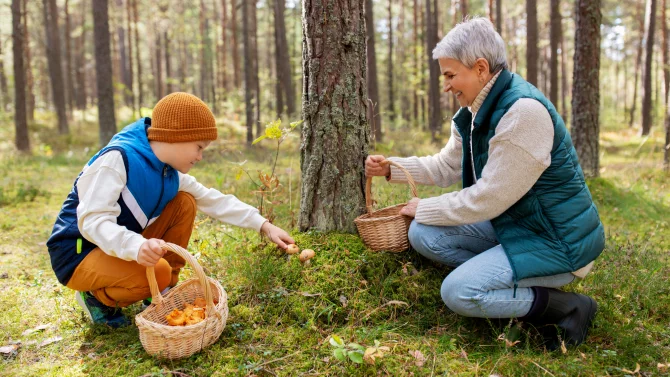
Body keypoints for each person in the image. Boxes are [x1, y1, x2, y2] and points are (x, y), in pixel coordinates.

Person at [365, 18, 604, 349]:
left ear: (480, 68)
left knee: (458, 291)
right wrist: (392, 167)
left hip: (556, 241)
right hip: (517, 224)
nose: (446, 86)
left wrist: (427, 206)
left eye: (451, 75)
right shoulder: (474, 111)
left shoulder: (523, 113)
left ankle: (569, 306)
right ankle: (506, 283)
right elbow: (449, 164)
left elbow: (489, 198)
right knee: (421, 232)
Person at [47, 92, 294, 328]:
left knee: (185, 202)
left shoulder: (169, 172)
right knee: (159, 270)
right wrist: (137, 247)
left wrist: (264, 225)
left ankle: (162, 289)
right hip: (78, 252)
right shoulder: (117, 159)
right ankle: (96, 298)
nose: (200, 156)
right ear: (176, 135)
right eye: (199, 147)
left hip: (115, 244)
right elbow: (93, 221)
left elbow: (213, 199)